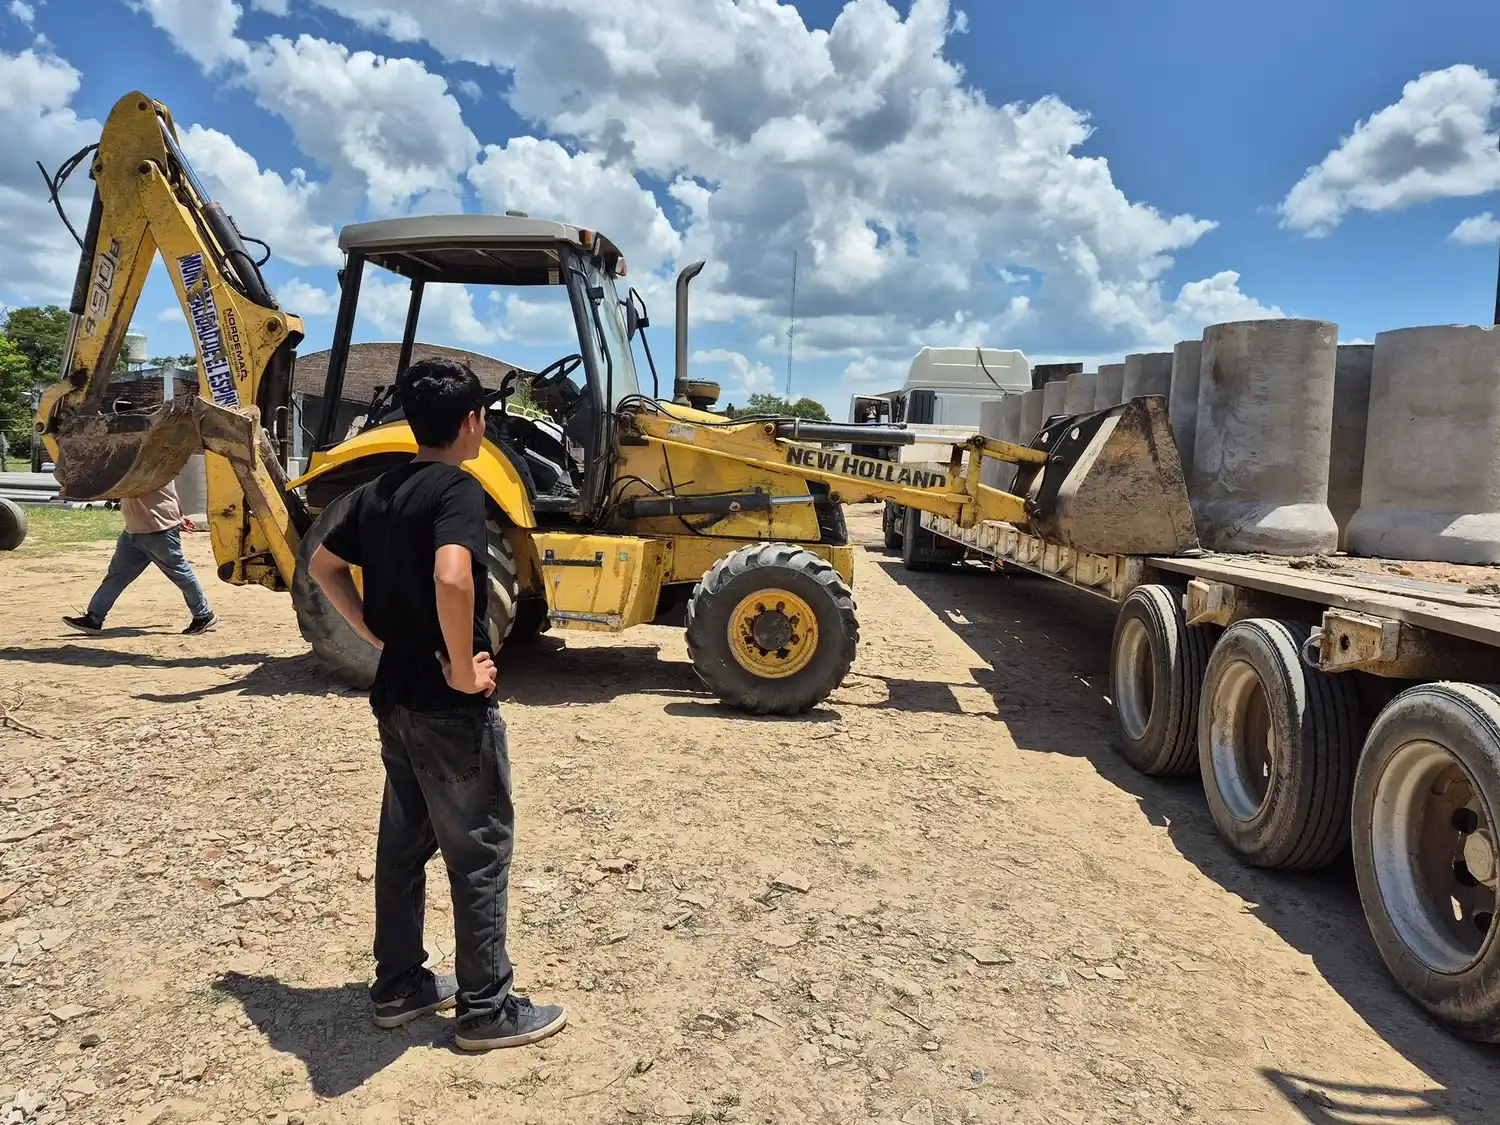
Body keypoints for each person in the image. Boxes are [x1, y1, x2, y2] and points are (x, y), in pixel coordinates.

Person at [307, 356, 566, 1052]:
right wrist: (457, 665)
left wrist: (372, 630)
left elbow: (322, 565)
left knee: (404, 843)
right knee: (479, 850)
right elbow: (454, 575)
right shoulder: (457, 487)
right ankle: (486, 1009)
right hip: (447, 708)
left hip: (394, 696)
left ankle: (398, 984)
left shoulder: (380, 489)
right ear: (474, 420)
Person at [63, 480, 216, 635]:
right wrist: (180, 514)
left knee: (180, 574)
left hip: (158, 530)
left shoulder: (152, 463)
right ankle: (94, 618)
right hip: (134, 530)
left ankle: (203, 615)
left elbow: (121, 486)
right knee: (117, 576)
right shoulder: (141, 459)